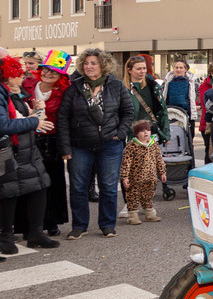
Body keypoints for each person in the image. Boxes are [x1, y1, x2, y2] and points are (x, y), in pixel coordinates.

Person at [57, 48, 133, 238]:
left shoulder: (116, 86)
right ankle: (79, 226)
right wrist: (65, 147)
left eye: (93, 63)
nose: (89, 66)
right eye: (86, 63)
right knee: (78, 187)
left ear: (103, 65)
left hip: (110, 145)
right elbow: (63, 118)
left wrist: (120, 133)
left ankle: (107, 225)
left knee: (108, 187)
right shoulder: (74, 88)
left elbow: (128, 112)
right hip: (79, 145)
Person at [1, 56, 58, 251]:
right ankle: (6, 237)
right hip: (11, 150)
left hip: (27, 149)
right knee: (9, 193)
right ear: (7, 77)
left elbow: (23, 118)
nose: (22, 76)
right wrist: (34, 120)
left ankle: (36, 233)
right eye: (18, 74)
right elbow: (5, 125)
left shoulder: (17, 94)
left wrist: (36, 112)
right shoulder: (5, 95)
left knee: (39, 187)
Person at [32, 49, 71, 236]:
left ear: (60, 76)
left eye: (54, 72)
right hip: (29, 140)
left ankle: (52, 222)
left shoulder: (64, 93)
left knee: (53, 183)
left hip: (52, 141)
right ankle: (29, 224)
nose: (48, 74)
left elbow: (66, 120)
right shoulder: (28, 86)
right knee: (31, 183)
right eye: (46, 69)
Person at [120, 120, 167, 225]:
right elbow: (126, 162)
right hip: (135, 178)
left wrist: (162, 172)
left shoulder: (153, 144)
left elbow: (159, 159)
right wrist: (125, 177)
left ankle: (149, 214)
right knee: (133, 196)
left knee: (148, 195)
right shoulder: (131, 145)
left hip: (151, 177)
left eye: (148, 130)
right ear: (136, 133)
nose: (146, 133)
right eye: (142, 131)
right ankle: (132, 216)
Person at [124, 55, 170, 143]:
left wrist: (166, 135)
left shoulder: (153, 87)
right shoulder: (123, 89)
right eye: (139, 69)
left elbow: (162, 112)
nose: (142, 71)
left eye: (144, 68)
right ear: (129, 70)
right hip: (131, 136)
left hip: (151, 134)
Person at [162, 58, 198, 139]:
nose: (178, 70)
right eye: (176, 67)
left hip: (187, 113)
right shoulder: (167, 82)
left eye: (181, 68)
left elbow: (195, 99)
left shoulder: (192, 83)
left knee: (188, 137)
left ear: (186, 69)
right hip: (170, 113)